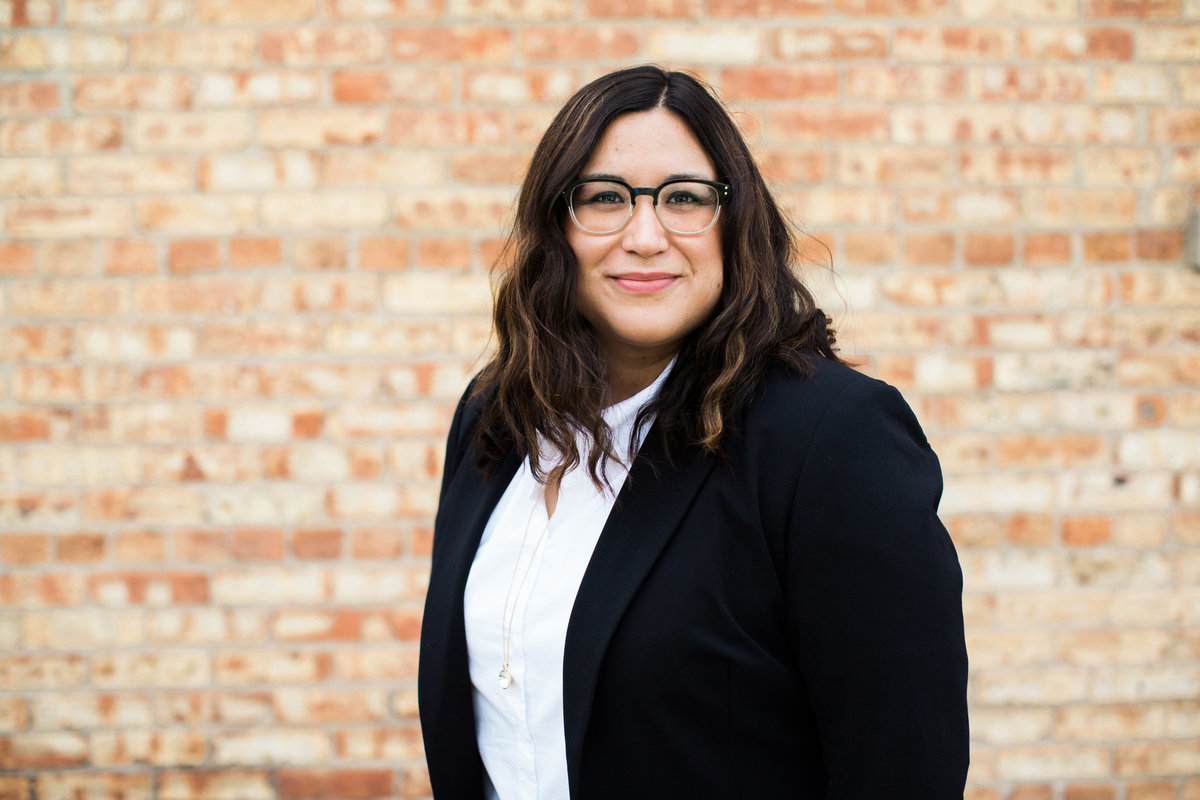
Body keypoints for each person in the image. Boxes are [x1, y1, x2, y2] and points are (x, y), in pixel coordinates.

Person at [418, 65, 969, 799]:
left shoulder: (832, 438)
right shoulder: (495, 419)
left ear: (735, 223)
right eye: (605, 199)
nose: (645, 238)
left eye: (684, 199)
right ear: (557, 226)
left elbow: (904, 769)